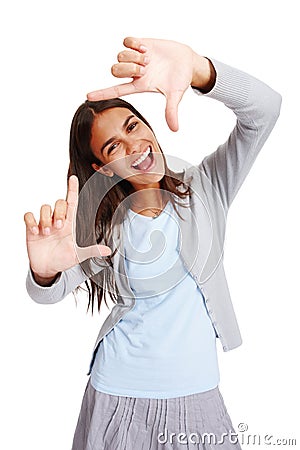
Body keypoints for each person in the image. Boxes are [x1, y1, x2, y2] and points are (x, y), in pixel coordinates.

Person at [24, 37, 282, 449]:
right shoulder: (101, 224)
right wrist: (45, 270)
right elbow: (46, 292)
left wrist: (200, 69)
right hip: (119, 397)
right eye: (113, 147)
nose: (134, 147)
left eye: (133, 127)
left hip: (199, 394)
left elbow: (266, 110)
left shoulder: (207, 187)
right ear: (102, 168)